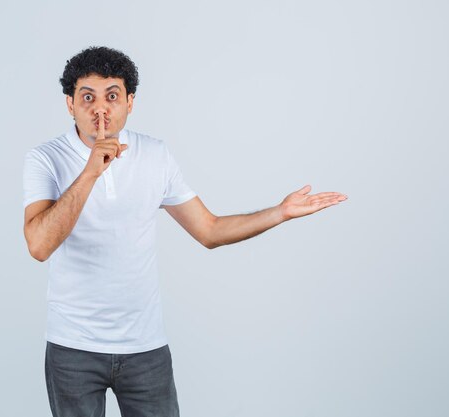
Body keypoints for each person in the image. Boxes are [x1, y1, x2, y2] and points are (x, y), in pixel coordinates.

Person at [22, 46, 347, 417]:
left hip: (145, 348)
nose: (100, 109)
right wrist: (92, 170)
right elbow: (39, 244)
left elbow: (208, 230)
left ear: (130, 101)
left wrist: (280, 212)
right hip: (72, 347)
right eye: (87, 98)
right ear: (70, 104)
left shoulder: (155, 155)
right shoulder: (45, 158)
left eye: (112, 96)